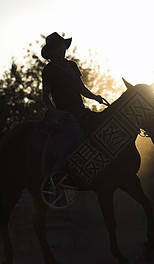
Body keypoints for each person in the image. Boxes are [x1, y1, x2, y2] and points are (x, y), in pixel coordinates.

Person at [41, 32, 104, 172]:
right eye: (57, 47)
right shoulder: (49, 70)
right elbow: (45, 97)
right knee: (77, 138)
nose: (61, 49)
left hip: (80, 110)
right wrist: (56, 113)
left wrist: (95, 97)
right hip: (64, 114)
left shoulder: (72, 65)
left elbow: (81, 89)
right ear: (51, 51)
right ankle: (56, 172)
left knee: (97, 130)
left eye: (62, 46)